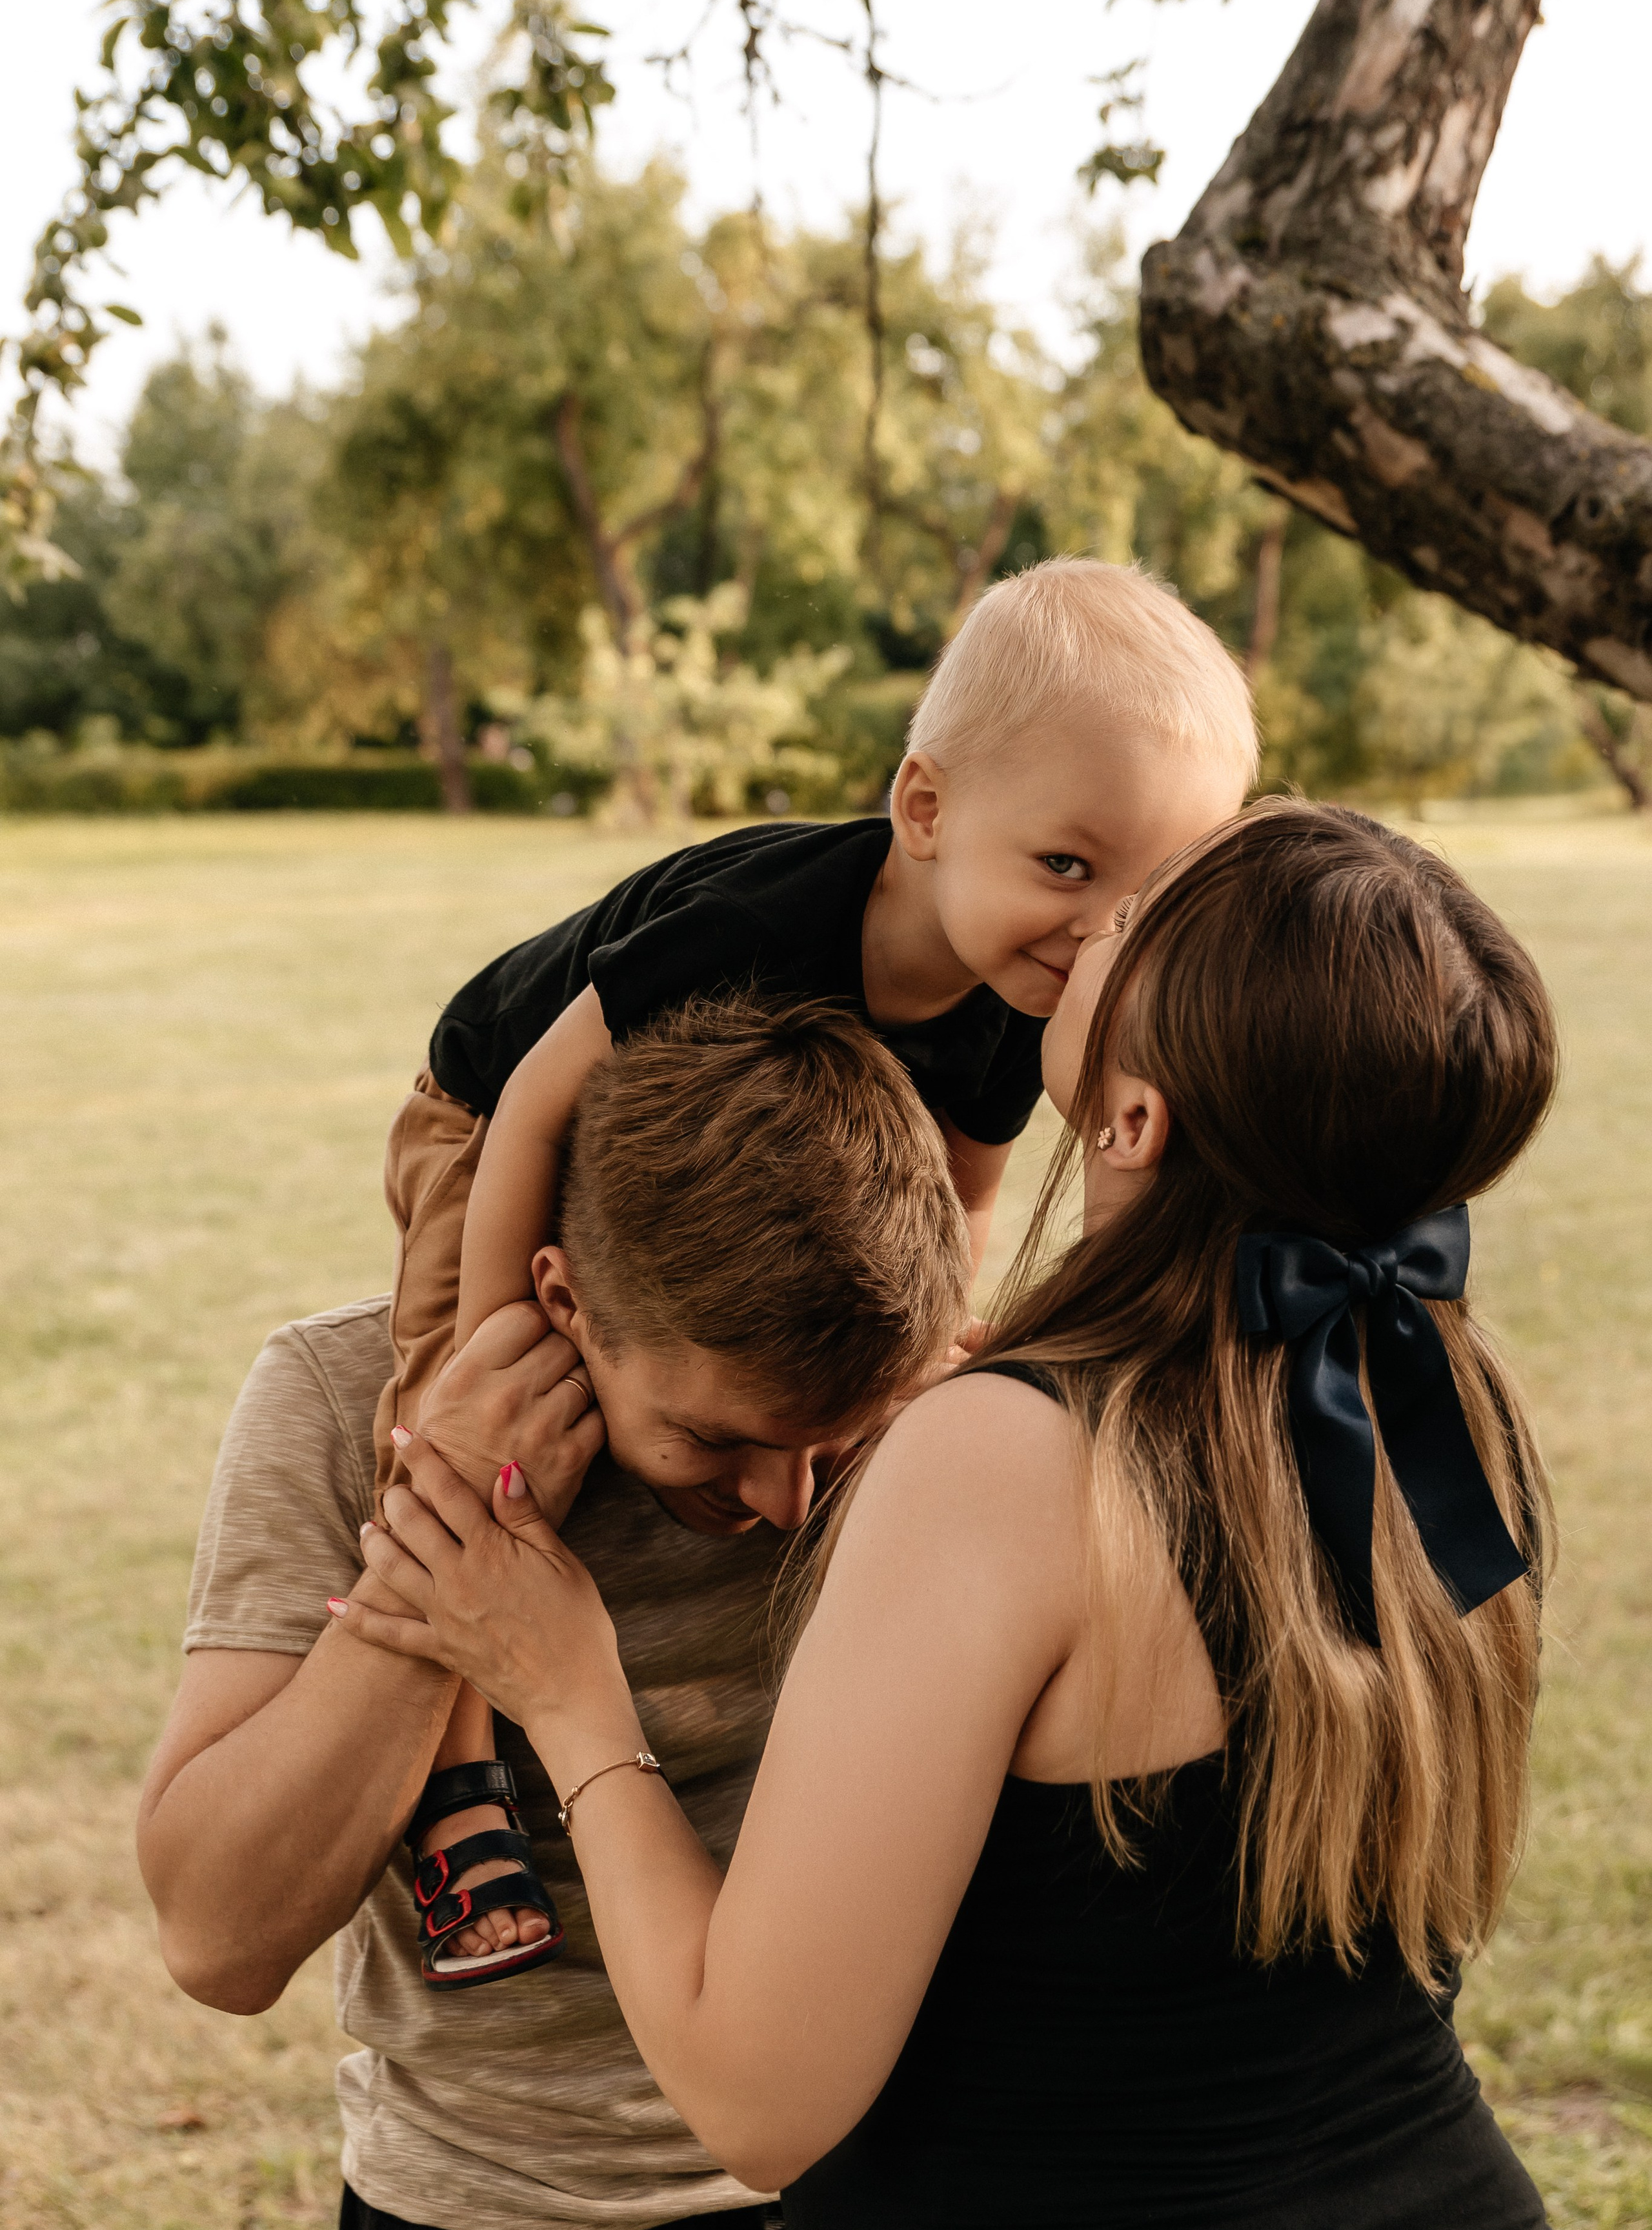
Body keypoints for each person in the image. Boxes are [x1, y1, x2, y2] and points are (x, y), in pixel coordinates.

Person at [339, 801, 1580, 2230]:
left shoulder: (1010, 1464)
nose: (1087, 922)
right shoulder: (1444, 1409)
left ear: (1129, 1121)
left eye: (1130, 922)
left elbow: (757, 2101)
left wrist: (566, 1690)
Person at [374, 556, 1260, 1980]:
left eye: (1139, 898)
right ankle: (457, 1781)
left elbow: (960, 1191)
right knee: (451, 1429)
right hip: (486, 1117)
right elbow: (539, 1104)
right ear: (923, 809)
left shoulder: (1004, 1007)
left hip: (686, 1182)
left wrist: (916, 1364)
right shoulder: (766, 924)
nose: (1093, 932)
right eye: (1062, 867)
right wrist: (499, 1341)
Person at [138, 997, 972, 2230]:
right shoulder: (338, 1402)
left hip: (881, 2206)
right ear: (562, 1299)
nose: (787, 1503)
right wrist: (449, 1536)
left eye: (832, 1440)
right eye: (713, 1440)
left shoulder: (950, 1423)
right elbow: (218, 1941)